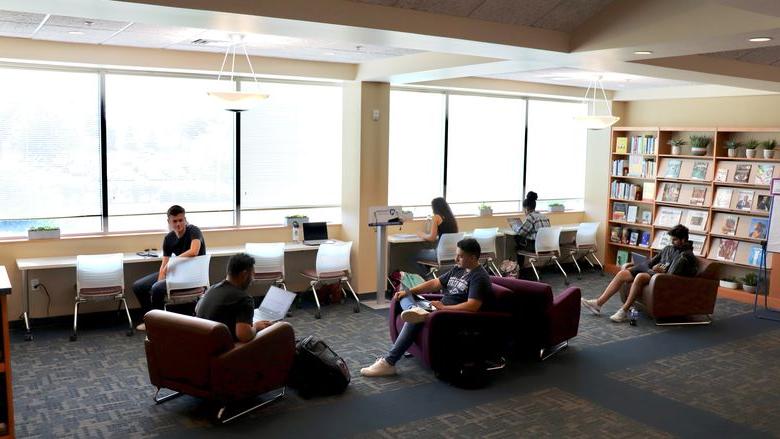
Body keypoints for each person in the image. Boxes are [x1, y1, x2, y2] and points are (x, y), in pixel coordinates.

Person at [361, 238, 492, 377]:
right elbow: (435, 283)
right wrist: (409, 291)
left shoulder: (479, 277)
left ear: (472, 257)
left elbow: (472, 306)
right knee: (404, 295)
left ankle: (389, 362)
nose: (456, 258)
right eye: (456, 254)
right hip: (438, 309)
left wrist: (443, 308)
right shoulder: (458, 269)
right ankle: (415, 309)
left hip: (449, 315)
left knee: (414, 320)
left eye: (460, 256)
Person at [581, 224, 698, 323]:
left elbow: (671, 276)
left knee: (640, 276)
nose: (672, 242)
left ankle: (624, 311)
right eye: (672, 239)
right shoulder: (668, 248)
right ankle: (598, 303)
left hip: (665, 279)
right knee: (623, 274)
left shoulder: (686, 256)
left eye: (675, 240)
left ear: (683, 240)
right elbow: (650, 262)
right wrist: (651, 268)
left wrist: (654, 270)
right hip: (655, 274)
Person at [132, 205, 207, 331]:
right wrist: (161, 279)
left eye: (181, 220)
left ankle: (159, 325)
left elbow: (194, 251)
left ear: (185, 219)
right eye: (175, 221)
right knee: (139, 286)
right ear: (169, 222)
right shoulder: (169, 238)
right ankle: (150, 320)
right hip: (177, 273)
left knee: (156, 289)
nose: (178, 224)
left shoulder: (194, 231)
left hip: (193, 275)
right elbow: (164, 264)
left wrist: (174, 261)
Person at [195, 253, 273, 342]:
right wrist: (256, 326)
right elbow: (244, 336)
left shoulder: (212, 289)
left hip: (202, 344)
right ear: (244, 274)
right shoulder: (244, 299)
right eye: (252, 274)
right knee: (278, 330)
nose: (252, 279)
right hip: (226, 351)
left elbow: (197, 309)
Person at [415, 197, 459, 268]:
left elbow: (432, 238)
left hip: (440, 254)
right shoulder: (451, 217)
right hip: (453, 254)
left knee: (416, 254)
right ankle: (431, 274)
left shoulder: (436, 217)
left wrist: (422, 235)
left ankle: (425, 277)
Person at [513, 191, 551, 270]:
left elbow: (521, 233)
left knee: (517, 240)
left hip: (536, 247)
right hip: (548, 246)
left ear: (526, 208)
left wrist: (515, 227)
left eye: (524, 210)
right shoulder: (544, 216)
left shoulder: (531, 217)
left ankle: (520, 270)